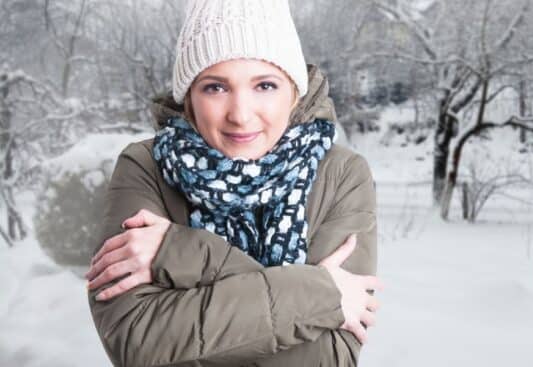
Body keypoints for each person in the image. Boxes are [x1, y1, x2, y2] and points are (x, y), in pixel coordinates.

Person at [84, 1, 382, 366]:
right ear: (189, 96)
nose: (240, 114)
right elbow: (135, 341)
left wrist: (181, 253)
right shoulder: (145, 166)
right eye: (215, 88)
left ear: (294, 93)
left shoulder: (341, 174)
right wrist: (321, 293)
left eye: (265, 85)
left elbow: (329, 355)